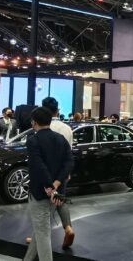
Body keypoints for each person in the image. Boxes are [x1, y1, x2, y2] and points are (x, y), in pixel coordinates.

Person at [23, 107, 74, 261]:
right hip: (55, 194)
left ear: (34, 122)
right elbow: (69, 163)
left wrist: (50, 186)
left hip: (40, 193)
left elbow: (39, 166)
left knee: (43, 233)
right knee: (40, 230)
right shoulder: (60, 138)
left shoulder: (33, 140)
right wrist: (56, 184)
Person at [42, 98, 74, 248]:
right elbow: (69, 153)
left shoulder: (43, 127)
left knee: (42, 204)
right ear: (57, 110)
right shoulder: (66, 128)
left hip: (46, 171)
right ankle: (68, 228)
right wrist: (67, 172)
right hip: (62, 171)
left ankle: (38, 237)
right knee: (60, 199)